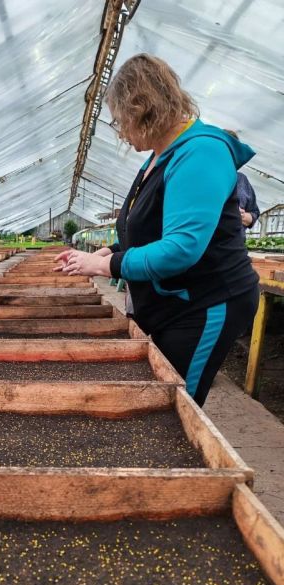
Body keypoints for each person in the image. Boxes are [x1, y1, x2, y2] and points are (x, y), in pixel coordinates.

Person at [54, 53, 259, 406]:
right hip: (170, 302)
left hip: (205, 304)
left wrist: (107, 267)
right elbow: (149, 223)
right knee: (154, 392)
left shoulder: (201, 153)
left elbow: (181, 248)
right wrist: (113, 250)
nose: (120, 133)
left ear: (141, 109)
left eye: (121, 121)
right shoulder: (160, 155)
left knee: (174, 406)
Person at [224, 130, 260, 232]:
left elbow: (254, 212)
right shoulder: (204, 177)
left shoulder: (241, 179)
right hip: (210, 244)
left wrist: (243, 216)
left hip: (236, 243)